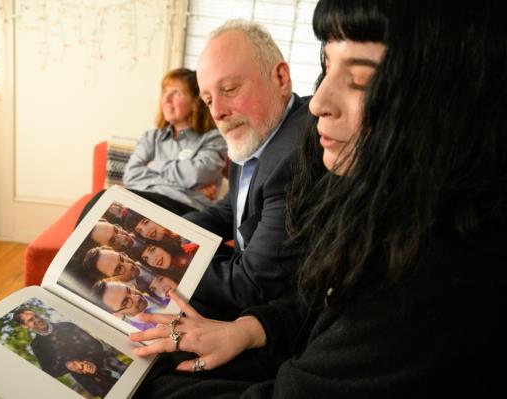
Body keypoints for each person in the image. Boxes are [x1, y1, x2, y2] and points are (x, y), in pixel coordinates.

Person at [128, 0, 507, 397]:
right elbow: (320, 300)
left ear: (452, 93)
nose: (320, 103)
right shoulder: (386, 195)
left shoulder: (435, 270)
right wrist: (253, 328)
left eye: (360, 79)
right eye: (326, 66)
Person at [184, 19, 324, 319]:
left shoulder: (297, 154)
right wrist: (168, 232)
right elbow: (230, 209)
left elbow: (250, 287)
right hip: (241, 271)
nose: (218, 112)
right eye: (208, 100)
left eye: (230, 89)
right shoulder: (257, 132)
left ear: (281, 77)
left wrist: (163, 262)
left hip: (270, 312)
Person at [123, 68, 228, 214]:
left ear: (195, 103)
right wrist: (187, 190)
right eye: (165, 92)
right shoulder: (150, 137)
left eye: (176, 93)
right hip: (146, 202)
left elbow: (198, 174)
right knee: (101, 199)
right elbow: (131, 175)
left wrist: (154, 166)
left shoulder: (214, 138)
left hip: (185, 210)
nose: (166, 99)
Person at [13, 309, 121, 397]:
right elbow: (49, 370)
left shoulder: (67, 325)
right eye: (31, 320)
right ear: (25, 326)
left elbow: (94, 344)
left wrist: (89, 361)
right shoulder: (36, 345)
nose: (37, 319)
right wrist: (67, 365)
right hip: (92, 383)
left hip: (109, 364)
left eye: (36, 315)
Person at [90, 279, 160, 330]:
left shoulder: (153, 289)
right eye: (126, 302)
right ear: (117, 314)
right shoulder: (139, 331)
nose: (137, 297)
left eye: (129, 290)